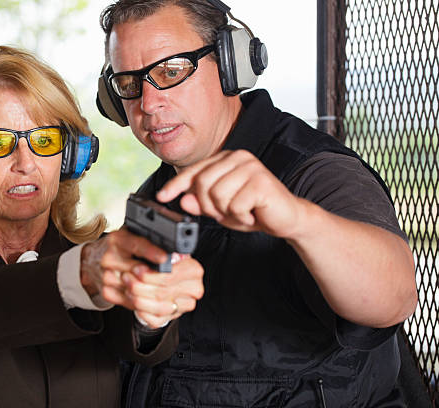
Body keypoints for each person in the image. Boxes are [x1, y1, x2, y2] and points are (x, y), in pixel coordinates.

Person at [94, 0, 418, 406]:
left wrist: (298, 220)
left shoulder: (314, 172)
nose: (148, 103)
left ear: (231, 64)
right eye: (129, 83)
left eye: (171, 72)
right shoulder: (154, 195)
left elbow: (393, 298)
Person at [0, 45, 204, 408]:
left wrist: (152, 305)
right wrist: (81, 276)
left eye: (45, 140)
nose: (25, 163)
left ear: (71, 156)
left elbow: (139, 340)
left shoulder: (105, 258)